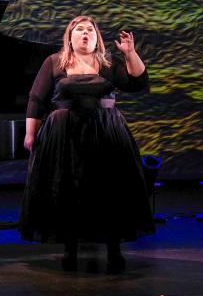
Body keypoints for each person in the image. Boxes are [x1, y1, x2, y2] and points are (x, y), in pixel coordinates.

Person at [20, 16, 155, 273]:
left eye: (90, 30)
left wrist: (130, 53)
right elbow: (36, 100)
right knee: (68, 190)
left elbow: (138, 84)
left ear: (97, 37)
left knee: (110, 190)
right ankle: (69, 250)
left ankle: (114, 251)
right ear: (69, 37)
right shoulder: (54, 63)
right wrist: (30, 134)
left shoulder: (108, 63)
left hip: (105, 133)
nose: (85, 33)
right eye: (79, 30)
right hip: (64, 135)